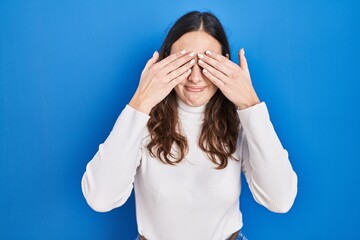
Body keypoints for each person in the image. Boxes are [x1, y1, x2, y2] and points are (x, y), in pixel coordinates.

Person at [81, 11, 298, 240]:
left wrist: (251, 105)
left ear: (224, 62)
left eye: (207, 62)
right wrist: (140, 103)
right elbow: (100, 198)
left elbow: (281, 200)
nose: (195, 77)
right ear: (166, 61)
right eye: (184, 62)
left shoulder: (240, 122)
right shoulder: (141, 122)